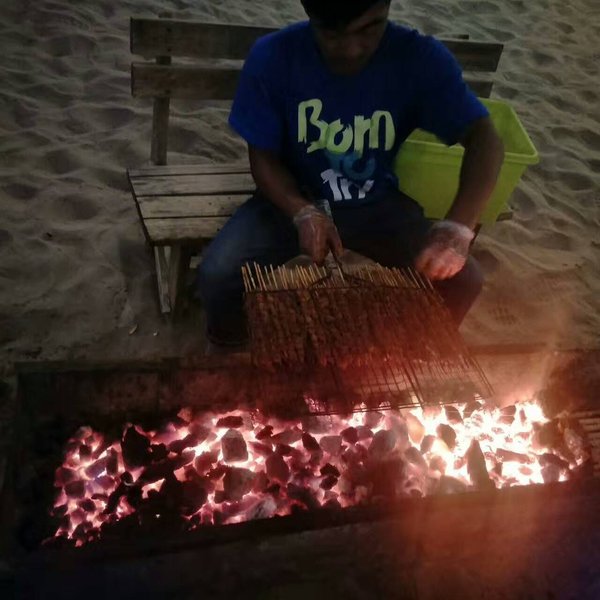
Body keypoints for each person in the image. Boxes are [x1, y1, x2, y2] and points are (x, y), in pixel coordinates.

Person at [196, 0, 505, 351]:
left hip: (376, 203)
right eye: (332, 34)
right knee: (218, 273)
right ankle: (230, 349)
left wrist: (458, 228)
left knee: (465, 280)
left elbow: (484, 137)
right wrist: (302, 211)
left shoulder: (417, 58)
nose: (352, 49)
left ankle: (417, 351)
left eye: (370, 28)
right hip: (291, 200)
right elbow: (263, 160)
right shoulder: (274, 57)